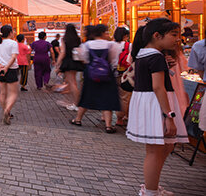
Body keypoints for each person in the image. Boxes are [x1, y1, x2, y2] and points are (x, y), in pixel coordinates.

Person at [126, 18, 188, 196]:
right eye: (174, 35)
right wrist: (169, 116)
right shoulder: (156, 56)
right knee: (156, 150)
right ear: (157, 36)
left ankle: (151, 187)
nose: (177, 39)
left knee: (161, 148)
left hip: (149, 103)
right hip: (157, 105)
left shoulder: (144, 54)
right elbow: (158, 87)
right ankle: (150, 191)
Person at [71, 24, 120, 132]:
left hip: (91, 74)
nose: (108, 34)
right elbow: (113, 60)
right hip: (107, 74)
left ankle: (78, 119)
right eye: (106, 32)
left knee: (87, 96)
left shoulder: (87, 45)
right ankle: (108, 125)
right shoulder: (111, 45)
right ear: (102, 33)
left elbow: (84, 59)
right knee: (107, 98)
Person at [0, 24, 19, 125]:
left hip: (0, 70)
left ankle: (6, 111)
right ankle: (7, 111)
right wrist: (7, 67)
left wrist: (0, 65)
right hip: (11, 70)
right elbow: (13, 57)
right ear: (10, 33)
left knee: (3, 93)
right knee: (13, 93)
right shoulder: (13, 43)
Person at [56, 23, 84, 111]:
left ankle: (76, 104)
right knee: (73, 82)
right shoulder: (78, 39)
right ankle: (74, 102)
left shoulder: (64, 39)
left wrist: (58, 62)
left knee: (72, 83)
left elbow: (63, 52)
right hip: (75, 61)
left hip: (68, 62)